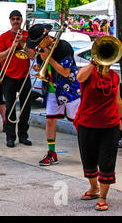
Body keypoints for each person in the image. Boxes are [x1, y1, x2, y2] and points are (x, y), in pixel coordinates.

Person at [74, 48, 122, 211]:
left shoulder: (114, 76)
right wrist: (93, 62)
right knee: (88, 159)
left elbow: (118, 99)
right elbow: (79, 77)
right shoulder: (88, 73)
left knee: (107, 161)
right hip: (87, 123)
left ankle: (103, 197)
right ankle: (93, 188)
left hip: (110, 125)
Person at [26, 23, 81, 166]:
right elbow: (40, 66)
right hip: (51, 89)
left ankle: (88, 151)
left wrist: (48, 59)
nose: (37, 45)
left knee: (78, 123)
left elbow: (65, 72)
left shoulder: (63, 46)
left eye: (38, 42)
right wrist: (39, 66)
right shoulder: (41, 49)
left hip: (70, 89)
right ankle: (51, 153)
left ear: (45, 37)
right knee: (50, 121)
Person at [0, 10, 35, 148]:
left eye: (18, 18)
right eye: (13, 19)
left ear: (22, 20)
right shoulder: (4, 36)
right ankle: (10, 137)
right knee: (10, 107)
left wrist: (23, 43)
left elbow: (32, 56)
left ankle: (23, 135)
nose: (16, 21)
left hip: (25, 76)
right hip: (9, 76)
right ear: (10, 20)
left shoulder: (27, 36)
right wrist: (12, 47)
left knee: (26, 108)